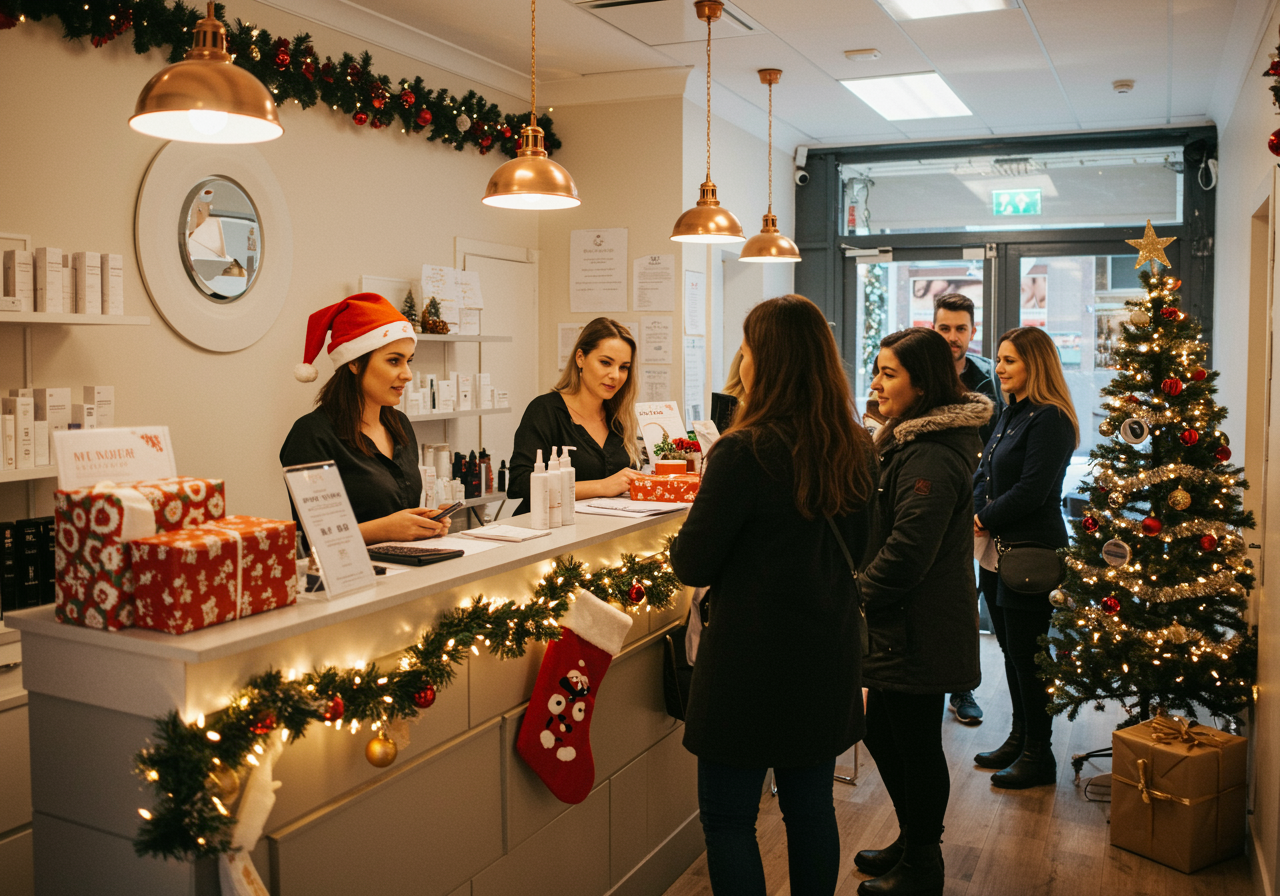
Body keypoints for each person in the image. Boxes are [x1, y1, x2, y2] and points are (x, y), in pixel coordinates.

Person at [669, 294, 878, 896]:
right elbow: (861, 549)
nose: (743, 358)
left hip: (749, 663)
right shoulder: (856, 445)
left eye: (749, 347)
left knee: (730, 818)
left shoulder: (743, 450)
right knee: (811, 809)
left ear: (768, 360)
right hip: (825, 652)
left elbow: (693, 560)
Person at [855, 327, 990, 896]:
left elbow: (908, 553)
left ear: (922, 383)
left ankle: (923, 865)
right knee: (885, 734)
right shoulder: (909, 441)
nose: (877, 383)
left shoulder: (930, 452)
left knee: (911, 742)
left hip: (919, 626)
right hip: (904, 625)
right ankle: (912, 842)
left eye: (889, 373)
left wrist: (854, 596)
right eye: (877, 370)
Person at [972, 326, 1079, 789]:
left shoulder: (1050, 419)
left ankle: (1040, 754)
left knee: (1030, 656)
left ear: (1034, 364)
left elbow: (1033, 491)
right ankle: (1020, 737)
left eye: (1009, 360)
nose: (998, 368)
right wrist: (980, 509)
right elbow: (984, 470)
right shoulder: (1012, 413)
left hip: (1031, 552)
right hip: (998, 551)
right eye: (998, 359)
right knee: (1013, 653)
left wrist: (982, 519)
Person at [280, 292, 454, 544]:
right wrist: (387, 529)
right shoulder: (312, 435)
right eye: (394, 361)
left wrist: (424, 521)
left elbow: (398, 509)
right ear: (354, 363)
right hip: (350, 578)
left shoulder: (400, 425)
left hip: (410, 572)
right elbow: (312, 536)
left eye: (409, 361)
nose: (407, 374)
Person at [932, 292, 1006, 726]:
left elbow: (996, 448)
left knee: (964, 598)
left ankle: (961, 690)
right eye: (945, 328)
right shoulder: (917, 370)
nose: (953, 337)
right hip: (923, 494)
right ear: (934, 327)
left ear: (972, 332)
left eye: (961, 329)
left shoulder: (985, 380)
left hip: (972, 502)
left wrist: (984, 507)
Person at [508, 318, 642, 514]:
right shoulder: (545, 410)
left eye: (624, 367)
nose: (615, 375)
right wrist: (601, 486)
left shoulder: (618, 419)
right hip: (547, 531)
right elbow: (520, 483)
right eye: (605, 363)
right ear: (580, 358)